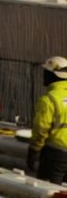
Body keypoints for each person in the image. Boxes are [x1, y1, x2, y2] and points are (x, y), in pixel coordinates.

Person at [34, 55, 67, 184]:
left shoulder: (48, 99)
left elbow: (41, 129)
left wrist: (34, 150)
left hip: (55, 154)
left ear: (54, 75)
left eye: (46, 72)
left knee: (50, 190)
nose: (43, 75)